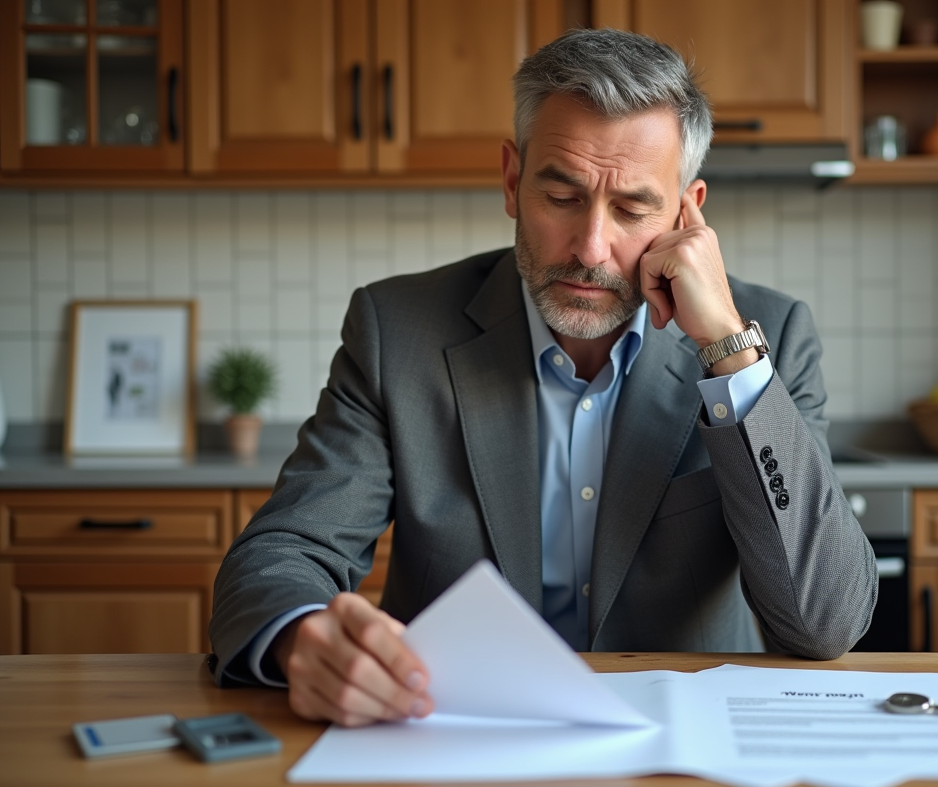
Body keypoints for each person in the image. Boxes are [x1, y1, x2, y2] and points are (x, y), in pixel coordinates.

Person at [210, 28, 877, 727]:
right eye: (562, 197)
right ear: (511, 181)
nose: (590, 248)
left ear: (687, 212)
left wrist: (729, 355)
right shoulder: (396, 330)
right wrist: (297, 639)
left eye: (632, 209)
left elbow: (825, 622)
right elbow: (283, 554)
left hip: (683, 751)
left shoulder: (766, 336)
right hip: (454, 737)